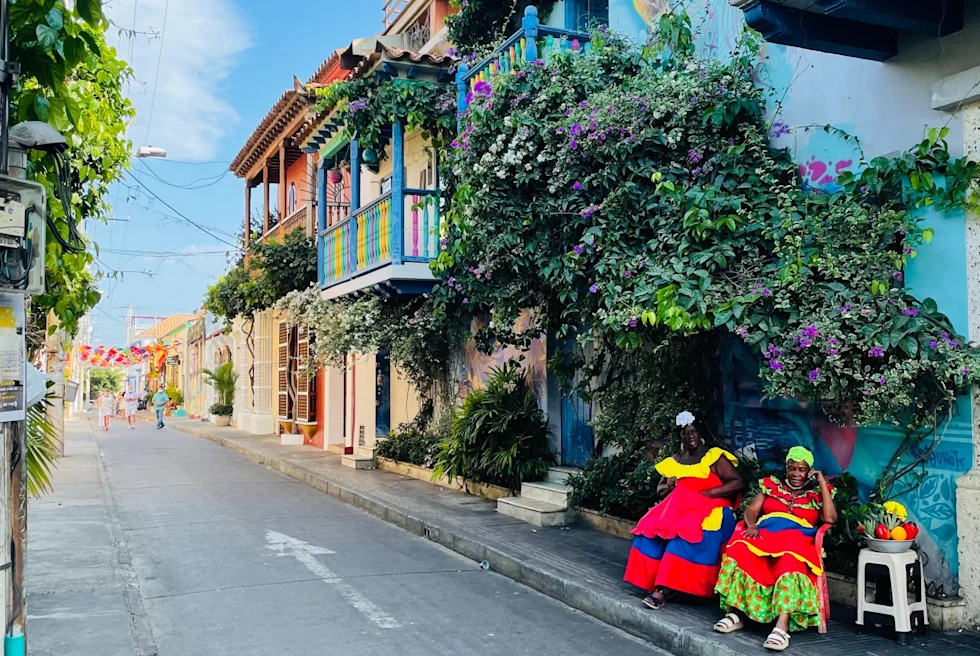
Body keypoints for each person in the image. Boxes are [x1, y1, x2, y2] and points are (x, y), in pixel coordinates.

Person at [713, 446, 838, 652]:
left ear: (809, 471)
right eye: (792, 469)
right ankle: (737, 613)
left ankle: (781, 626)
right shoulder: (772, 486)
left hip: (796, 539)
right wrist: (752, 525)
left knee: (789, 560)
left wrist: (822, 482)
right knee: (741, 548)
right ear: (786, 468)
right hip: (766, 532)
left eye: (801, 469)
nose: (796, 474)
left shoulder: (816, 494)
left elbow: (830, 519)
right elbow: (752, 510)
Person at [624, 411, 743, 609]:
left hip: (709, 505)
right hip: (679, 505)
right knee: (648, 526)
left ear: (700, 433)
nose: (691, 436)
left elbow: (737, 482)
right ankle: (653, 580)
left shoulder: (713, 457)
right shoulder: (675, 460)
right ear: (680, 437)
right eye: (686, 433)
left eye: (694, 431)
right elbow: (660, 491)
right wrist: (669, 485)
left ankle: (664, 589)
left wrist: (708, 493)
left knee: (685, 532)